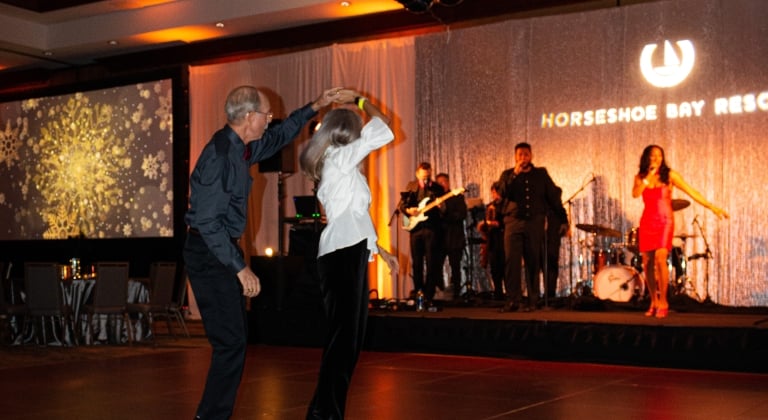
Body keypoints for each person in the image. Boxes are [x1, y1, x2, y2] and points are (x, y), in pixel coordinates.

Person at [183, 85, 343, 420]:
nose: (270, 119)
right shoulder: (221, 155)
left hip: (219, 249)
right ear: (247, 116)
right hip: (210, 251)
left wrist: (315, 105)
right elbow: (207, 222)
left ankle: (211, 415)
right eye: (266, 114)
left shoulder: (240, 148)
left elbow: (279, 136)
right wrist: (239, 268)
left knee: (232, 341)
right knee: (230, 342)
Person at [299, 91, 399, 419]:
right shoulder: (339, 159)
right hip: (342, 253)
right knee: (343, 342)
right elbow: (383, 126)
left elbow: (355, 217)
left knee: (348, 342)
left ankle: (323, 410)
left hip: (349, 250)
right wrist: (359, 99)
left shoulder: (343, 166)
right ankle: (325, 413)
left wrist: (380, 250)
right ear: (350, 133)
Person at [632, 144, 728, 318]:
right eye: (653, 156)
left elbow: (692, 192)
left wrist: (712, 207)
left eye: (659, 156)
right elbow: (636, 194)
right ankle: (653, 299)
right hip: (647, 221)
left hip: (664, 221)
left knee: (661, 257)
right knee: (647, 263)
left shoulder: (670, 175)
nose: (657, 159)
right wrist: (648, 177)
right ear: (646, 158)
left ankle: (664, 302)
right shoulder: (640, 177)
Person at [497, 142, 568, 312]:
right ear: (515, 157)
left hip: (534, 223)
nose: (523, 158)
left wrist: (563, 219)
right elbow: (502, 193)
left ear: (531, 156)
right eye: (520, 155)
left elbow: (553, 197)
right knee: (511, 262)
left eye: (526, 154)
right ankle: (512, 299)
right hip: (513, 223)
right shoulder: (507, 174)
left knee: (533, 261)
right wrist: (514, 174)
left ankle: (533, 300)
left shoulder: (541, 174)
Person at [398, 162, 446, 302]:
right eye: (423, 174)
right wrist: (408, 210)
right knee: (417, 264)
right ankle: (419, 293)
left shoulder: (437, 188)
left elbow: (444, 211)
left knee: (431, 263)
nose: (425, 177)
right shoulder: (411, 187)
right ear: (417, 173)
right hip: (416, 230)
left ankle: (429, 295)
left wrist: (441, 206)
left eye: (428, 174)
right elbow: (402, 205)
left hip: (432, 229)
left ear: (430, 173)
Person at [434, 173, 467, 300]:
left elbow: (462, 214)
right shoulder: (434, 199)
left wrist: (445, 212)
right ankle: (439, 292)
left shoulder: (456, 196)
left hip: (454, 238)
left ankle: (456, 294)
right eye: (439, 182)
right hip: (439, 240)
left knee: (455, 267)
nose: (442, 184)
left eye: (444, 182)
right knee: (436, 267)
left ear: (448, 183)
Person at [477, 182, 505, 301]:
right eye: (493, 192)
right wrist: (484, 224)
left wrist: (494, 223)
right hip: (492, 240)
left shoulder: (506, 206)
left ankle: (510, 294)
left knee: (506, 268)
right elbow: (486, 224)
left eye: (496, 192)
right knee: (494, 268)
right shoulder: (490, 206)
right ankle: (498, 293)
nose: (495, 195)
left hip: (504, 239)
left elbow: (505, 223)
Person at [542, 186, 569, 302]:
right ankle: (541, 293)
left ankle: (550, 292)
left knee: (552, 262)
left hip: (552, 234)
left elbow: (562, 213)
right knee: (541, 262)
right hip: (540, 234)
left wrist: (564, 223)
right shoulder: (540, 206)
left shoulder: (558, 212)